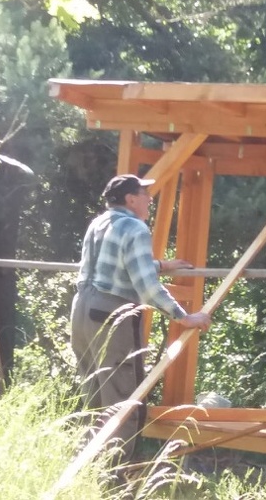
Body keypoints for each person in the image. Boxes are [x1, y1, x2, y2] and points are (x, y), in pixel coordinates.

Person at [70, 174, 212, 464]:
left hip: (82, 310)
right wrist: (184, 317)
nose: (151, 198)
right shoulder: (135, 228)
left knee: (94, 395)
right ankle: (114, 478)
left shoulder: (98, 223)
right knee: (122, 399)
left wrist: (160, 264)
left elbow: (113, 267)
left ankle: (87, 467)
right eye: (144, 194)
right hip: (111, 315)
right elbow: (146, 288)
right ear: (130, 199)